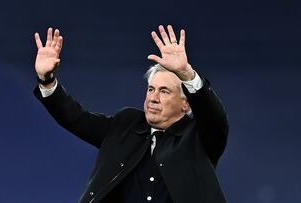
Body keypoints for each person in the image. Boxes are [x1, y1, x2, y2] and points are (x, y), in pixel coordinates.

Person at [33, 25, 229, 203]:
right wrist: (47, 81)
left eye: (164, 91)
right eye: (151, 89)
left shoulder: (199, 137)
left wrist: (187, 74)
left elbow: (214, 116)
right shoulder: (125, 124)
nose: (153, 98)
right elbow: (76, 119)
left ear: (185, 104)